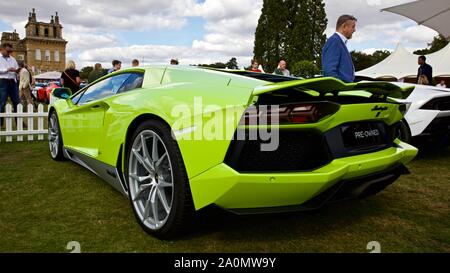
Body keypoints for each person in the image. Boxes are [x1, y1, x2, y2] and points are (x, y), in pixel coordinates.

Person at [322, 15, 357, 83]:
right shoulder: (334, 41)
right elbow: (329, 72)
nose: (354, 30)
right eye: (353, 27)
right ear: (344, 27)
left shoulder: (339, 42)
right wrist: (340, 88)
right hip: (339, 91)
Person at [0, 43, 20, 126]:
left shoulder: (13, 59)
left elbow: (17, 68)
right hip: (2, 81)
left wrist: (17, 71)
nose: (9, 53)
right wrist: (7, 69)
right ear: (2, 49)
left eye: (10, 51)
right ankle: (0, 123)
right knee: (2, 102)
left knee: (17, 102)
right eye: (8, 51)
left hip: (12, 81)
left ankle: (18, 122)